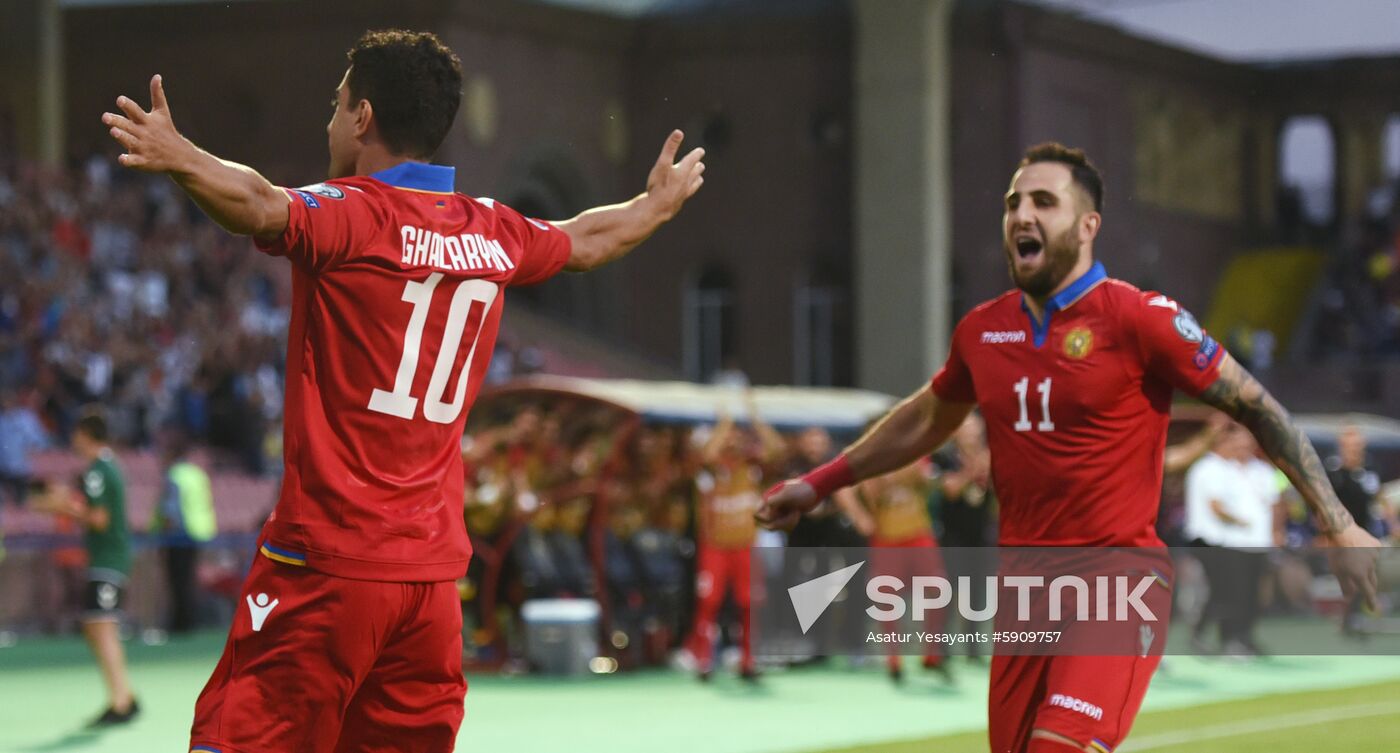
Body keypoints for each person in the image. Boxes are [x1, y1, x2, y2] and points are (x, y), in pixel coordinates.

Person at [103, 29, 704, 752]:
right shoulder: (493, 231)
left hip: (327, 568)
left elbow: (262, 204)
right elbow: (587, 239)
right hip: (429, 591)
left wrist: (180, 157)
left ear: (361, 118)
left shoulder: (355, 215)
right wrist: (654, 207)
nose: (329, 120)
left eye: (336, 104)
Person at [759, 143, 1380, 753]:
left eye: (1043, 202)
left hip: (1118, 580)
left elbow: (1256, 405)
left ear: (1088, 225)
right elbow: (926, 417)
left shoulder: (1141, 319)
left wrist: (1338, 522)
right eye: (1013, 203)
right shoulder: (981, 330)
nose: (1022, 215)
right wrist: (821, 482)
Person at [30, 408, 139, 726]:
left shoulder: (98, 470)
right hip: (108, 559)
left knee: (101, 627)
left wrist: (60, 507)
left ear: (86, 434)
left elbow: (99, 519)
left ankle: (121, 701)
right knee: (96, 627)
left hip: (108, 559)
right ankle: (123, 696)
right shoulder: (109, 467)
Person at [684, 395, 784, 681]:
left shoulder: (752, 468)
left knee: (750, 602)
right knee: (709, 601)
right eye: (728, 437)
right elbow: (706, 455)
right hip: (714, 548)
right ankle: (704, 659)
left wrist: (756, 419)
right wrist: (724, 424)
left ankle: (748, 661)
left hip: (744, 548)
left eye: (737, 436)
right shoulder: (708, 472)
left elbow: (777, 450)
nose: (732, 441)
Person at [840, 459, 948, 683]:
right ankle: (893, 659)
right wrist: (859, 515)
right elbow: (845, 490)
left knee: (938, 589)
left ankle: (932, 653)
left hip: (918, 532)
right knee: (887, 599)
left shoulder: (914, 453)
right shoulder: (870, 458)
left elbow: (929, 480)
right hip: (886, 536)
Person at [1183, 421, 1279, 656]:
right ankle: (1222, 637)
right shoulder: (1209, 468)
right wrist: (1243, 522)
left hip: (1243, 541)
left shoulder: (1254, 469)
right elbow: (1216, 506)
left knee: (1243, 592)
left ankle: (1239, 637)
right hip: (1213, 540)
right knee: (1225, 592)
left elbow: (1275, 501)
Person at [149, 435, 217, 634]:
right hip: (198, 532)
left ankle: (180, 623)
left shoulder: (175, 475)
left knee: (177, 581)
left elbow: (171, 510)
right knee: (188, 579)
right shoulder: (197, 474)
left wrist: (163, 535)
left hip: (178, 535)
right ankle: (190, 621)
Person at [1327, 424, 1383, 636]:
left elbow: (1375, 498)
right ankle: (1347, 618)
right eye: (1349, 446)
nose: (1354, 450)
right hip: (1341, 534)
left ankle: (1352, 617)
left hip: (1366, 532)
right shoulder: (1334, 472)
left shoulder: (1370, 469)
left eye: (1357, 446)